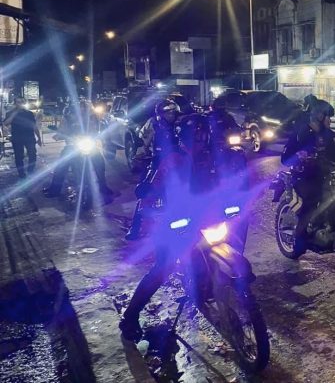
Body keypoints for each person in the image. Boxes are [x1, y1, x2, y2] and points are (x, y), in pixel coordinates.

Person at [119, 115, 215, 342]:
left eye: (202, 136)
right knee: (163, 268)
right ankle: (130, 317)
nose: (199, 141)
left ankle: (200, 290)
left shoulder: (209, 157)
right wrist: (151, 201)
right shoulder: (172, 160)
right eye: (194, 137)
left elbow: (224, 182)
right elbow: (149, 190)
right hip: (171, 221)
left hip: (199, 218)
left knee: (208, 254)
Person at [281, 99, 335, 253]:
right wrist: (300, 155)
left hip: (324, 174)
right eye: (327, 116)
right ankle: (299, 239)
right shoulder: (301, 133)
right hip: (304, 175)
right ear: (318, 116)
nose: (330, 120)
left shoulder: (328, 134)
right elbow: (285, 158)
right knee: (311, 201)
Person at [126, 99, 181, 241]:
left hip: (177, 163)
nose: (172, 116)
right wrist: (143, 153)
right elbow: (143, 141)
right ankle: (135, 228)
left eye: (173, 113)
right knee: (145, 193)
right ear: (161, 114)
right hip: (157, 163)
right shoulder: (153, 125)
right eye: (168, 113)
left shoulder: (178, 125)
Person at [43, 100, 113, 199]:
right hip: (73, 146)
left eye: (85, 107)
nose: (83, 109)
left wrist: (102, 136)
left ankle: (103, 187)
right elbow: (63, 129)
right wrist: (60, 135)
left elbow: (99, 128)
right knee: (61, 165)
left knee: (100, 163)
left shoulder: (94, 118)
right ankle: (54, 189)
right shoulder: (69, 117)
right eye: (81, 106)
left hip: (90, 145)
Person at [3, 97, 42, 178]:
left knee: (32, 154)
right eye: (18, 102)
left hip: (29, 137)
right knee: (19, 156)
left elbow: (34, 126)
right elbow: (6, 123)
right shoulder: (10, 113)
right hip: (17, 138)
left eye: (22, 102)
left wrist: (39, 138)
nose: (20, 104)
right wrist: (15, 113)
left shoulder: (29, 113)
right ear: (15, 103)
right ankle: (21, 174)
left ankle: (30, 170)